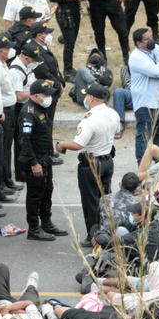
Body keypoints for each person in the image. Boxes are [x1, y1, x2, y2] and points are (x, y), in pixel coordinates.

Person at [56, 83, 118, 245]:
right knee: (105, 198)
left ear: (90, 98)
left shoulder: (89, 119)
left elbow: (78, 145)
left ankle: (93, 236)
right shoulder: (112, 113)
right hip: (107, 161)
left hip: (91, 163)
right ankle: (107, 230)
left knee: (90, 202)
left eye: (86, 96)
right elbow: (117, 132)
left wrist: (62, 144)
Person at [18, 79, 65, 242]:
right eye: (46, 95)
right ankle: (34, 228)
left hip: (45, 159)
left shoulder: (40, 108)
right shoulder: (29, 112)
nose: (49, 98)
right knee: (35, 195)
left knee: (46, 192)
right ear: (36, 96)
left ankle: (46, 222)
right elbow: (25, 140)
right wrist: (33, 163)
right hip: (36, 160)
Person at [128, 28, 159, 161]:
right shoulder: (136, 57)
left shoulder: (154, 48)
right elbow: (158, 73)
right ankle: (142, 166)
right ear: (139, 43)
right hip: (146, 104)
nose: (151, 41)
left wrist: (158, 67)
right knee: (144, 137)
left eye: (151, 37)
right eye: (147, 39)